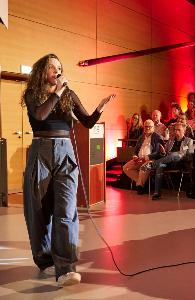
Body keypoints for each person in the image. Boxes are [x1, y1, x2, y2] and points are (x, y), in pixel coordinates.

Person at [21, 54, 115, 287]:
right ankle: (44, 259)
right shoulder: (32, 94)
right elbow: (40, 116)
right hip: (41, 150)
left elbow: (88, 122)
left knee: (66, 208)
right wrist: (58, 93)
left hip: (65, 152)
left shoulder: (68, 95)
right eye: (53, 67)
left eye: (60, 68)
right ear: (43, 70)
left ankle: (66, 267)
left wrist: (100, 107)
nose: (58, 71)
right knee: (38, 211)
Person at [142, 122, 194, 200]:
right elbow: (164, 155)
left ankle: (152, 165)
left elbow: (190, 156)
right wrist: (163, 152)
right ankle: (157, 193)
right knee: (160, 166)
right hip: (168, 163)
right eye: (175, 130)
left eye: (179, 130)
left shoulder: (189, 141)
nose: (176, 132)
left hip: (180, 163)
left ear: (184, 131)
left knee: (175, 155)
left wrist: (180, 155)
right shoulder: (171, 140)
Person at [123, 119, 164, 194]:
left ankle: (140, 186)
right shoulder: (141, 137)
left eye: (150, 127)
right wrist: (135, 156)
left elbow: (157, 153)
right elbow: (135, 150)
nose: (147, 128)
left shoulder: (157, 137)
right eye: (146, 126)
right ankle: (143, 182)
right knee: (126, 168)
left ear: (153, 128)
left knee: (144, 168)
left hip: (151, 160)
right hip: (139, 159)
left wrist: (145, 157)